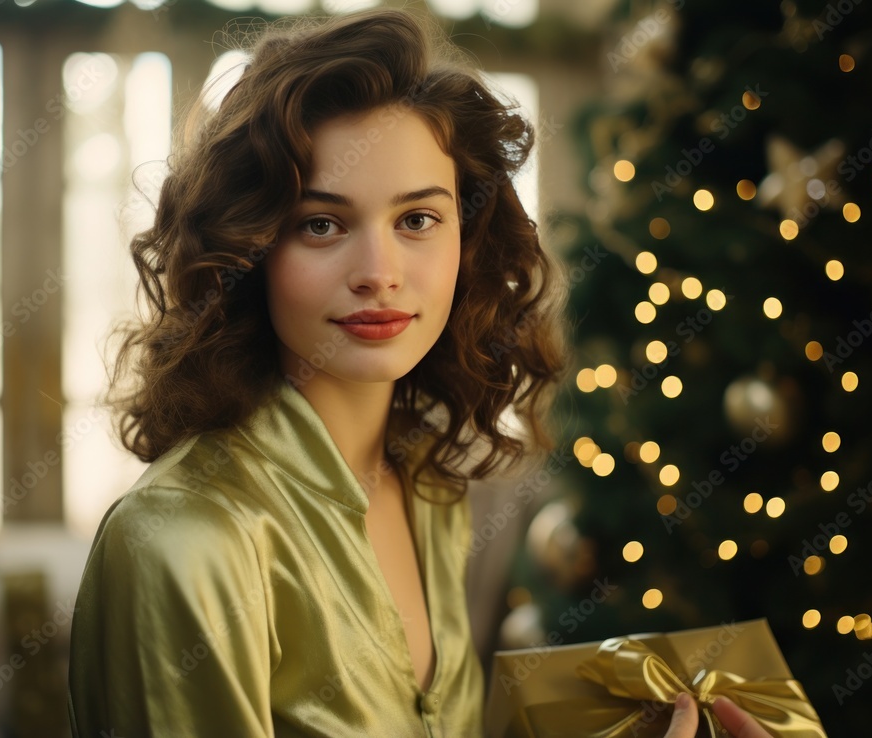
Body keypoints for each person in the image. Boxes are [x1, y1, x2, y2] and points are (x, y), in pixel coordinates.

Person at [65, 7, 772, 738]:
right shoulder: (181, 542)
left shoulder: (431, 486)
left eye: (417, 220)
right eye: (321, 224)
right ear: (250, 253)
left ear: (469, 240)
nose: (379, 274)